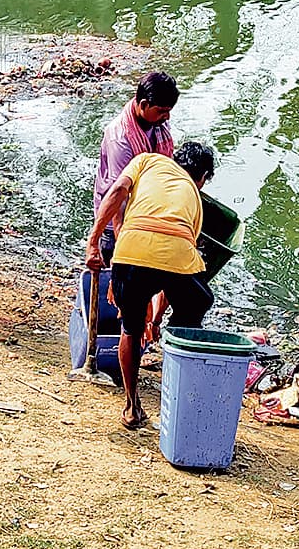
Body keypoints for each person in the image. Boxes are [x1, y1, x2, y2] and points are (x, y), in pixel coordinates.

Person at [85, 142, 217, 430]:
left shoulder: (146, 161)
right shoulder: (194, 196)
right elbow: (172, 263)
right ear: (203, 177)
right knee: (199, 302)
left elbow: (118, 192)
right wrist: (157, 320)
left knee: (130, 330)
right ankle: (178, 369)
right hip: (175, 255)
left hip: (130, 251)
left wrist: (94, 242)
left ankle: (132, 406)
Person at [76, 72, 179, 381]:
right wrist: (122, 247)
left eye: (169, 111)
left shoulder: (157, 125)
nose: (166, 117)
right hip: (119, 222)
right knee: (120, 290)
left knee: (136, 293)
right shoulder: (121, 137)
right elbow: (118, 196)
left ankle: (129, 345)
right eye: (161, 111)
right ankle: (103, 356)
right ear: (143, 104)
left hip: (147, 215)